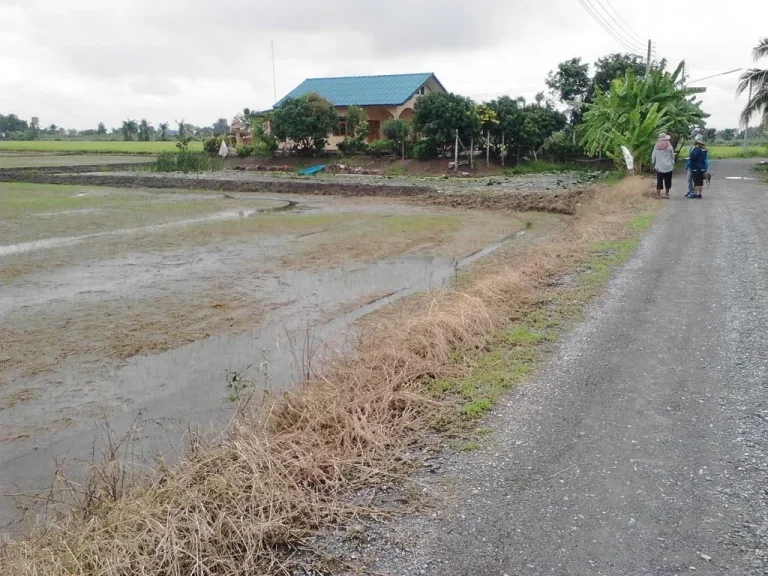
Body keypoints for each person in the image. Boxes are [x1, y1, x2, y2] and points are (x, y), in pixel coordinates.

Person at [651, 133, 675, 198]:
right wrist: (673, 162)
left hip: (659, 167)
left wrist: (653, 163)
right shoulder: (669, 145)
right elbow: (672, 155)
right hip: (669, 166)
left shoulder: (656, 146)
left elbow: (653, 157)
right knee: (668, 181)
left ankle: (658, 195)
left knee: (659, 181)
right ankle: (666, 194)